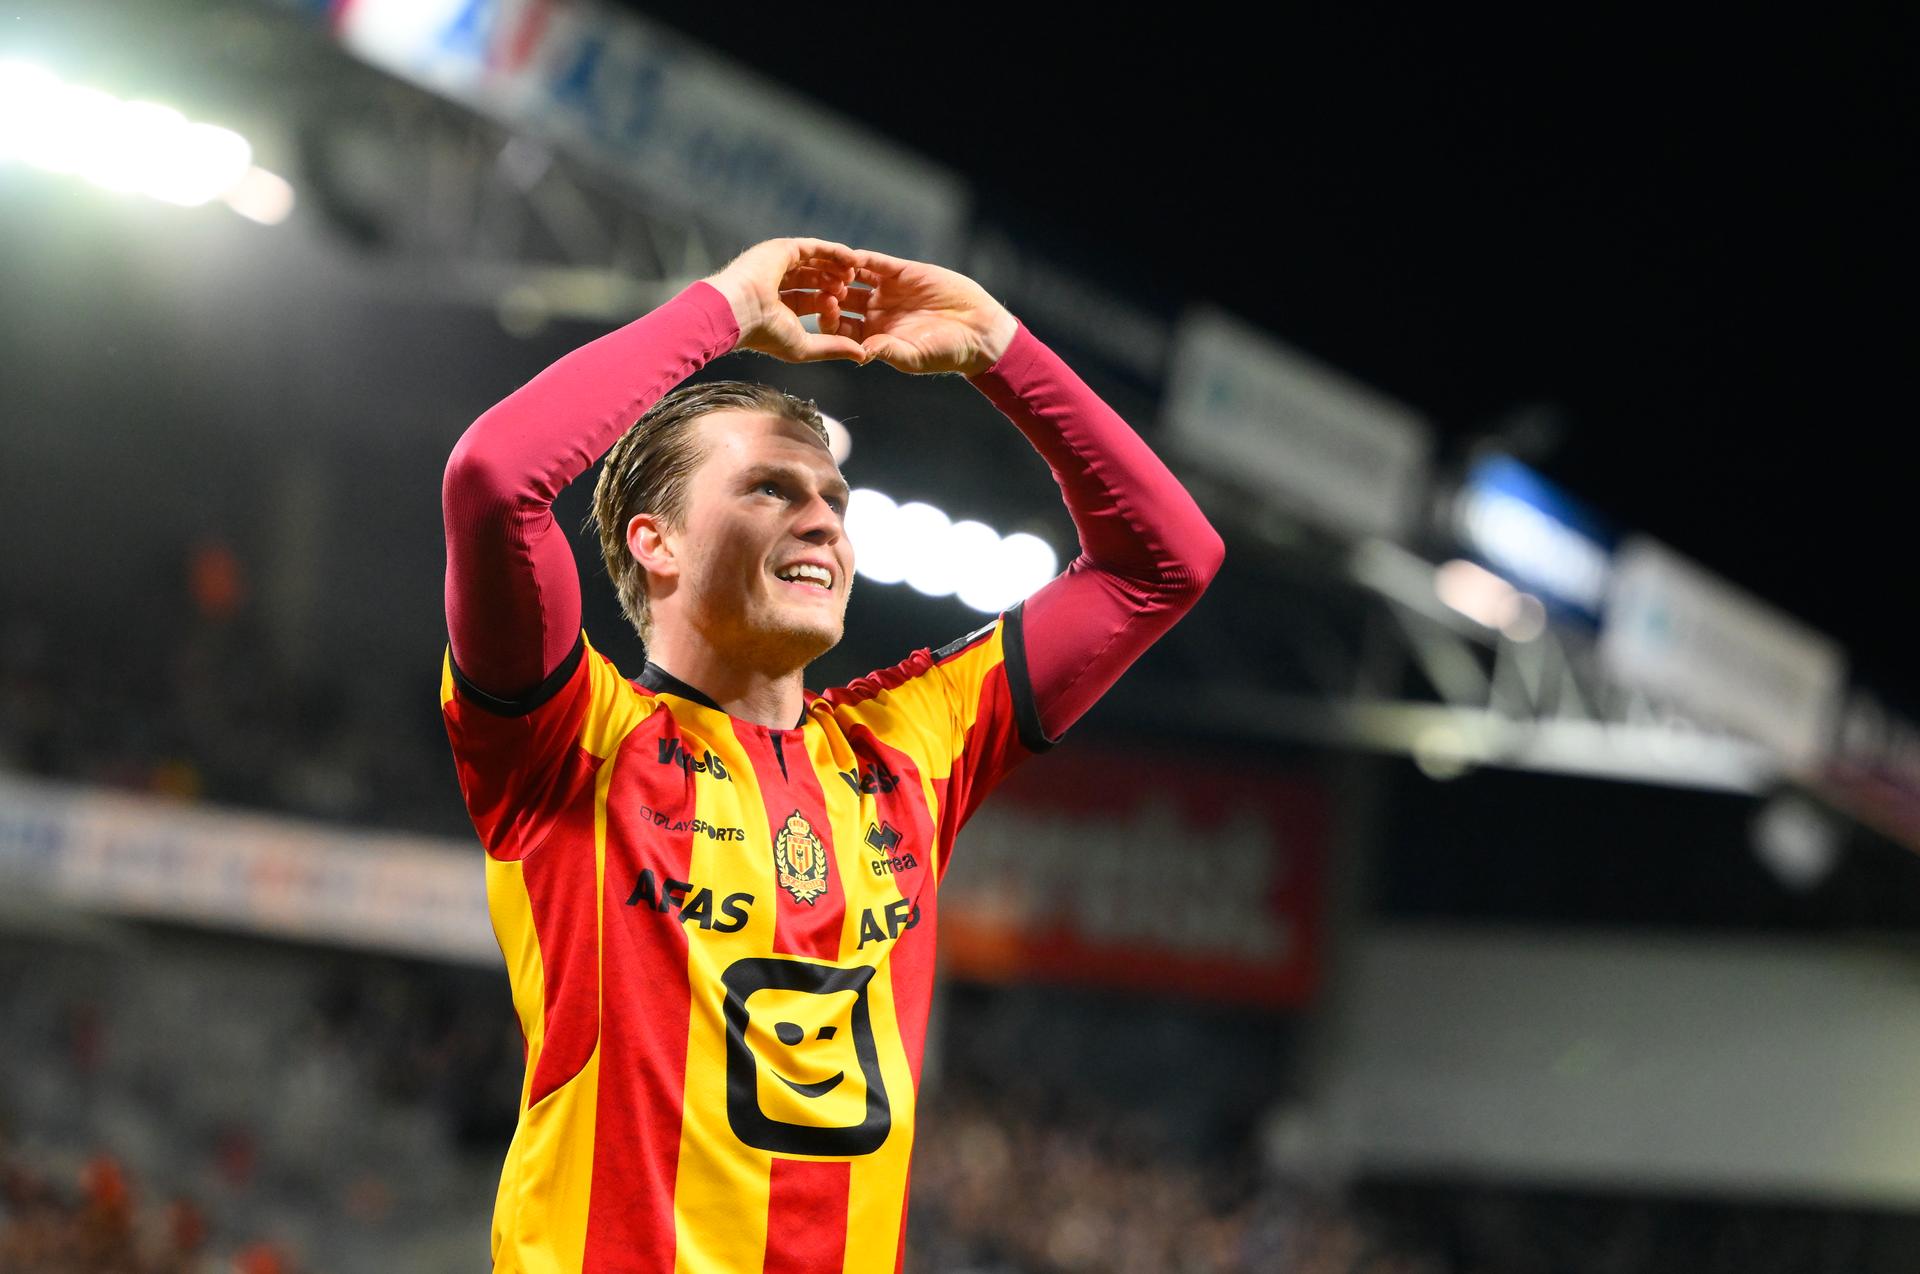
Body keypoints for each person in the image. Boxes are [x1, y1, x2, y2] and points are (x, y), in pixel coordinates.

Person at [441, 237, 1223, 1272]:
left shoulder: (911, 740)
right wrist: (726, 306)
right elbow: (497, 478)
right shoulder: (571, 740)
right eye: (769, 488)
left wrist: (1003, 349)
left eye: (835, 500)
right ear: (654, 541)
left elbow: (1168, 563)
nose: (821, 518)